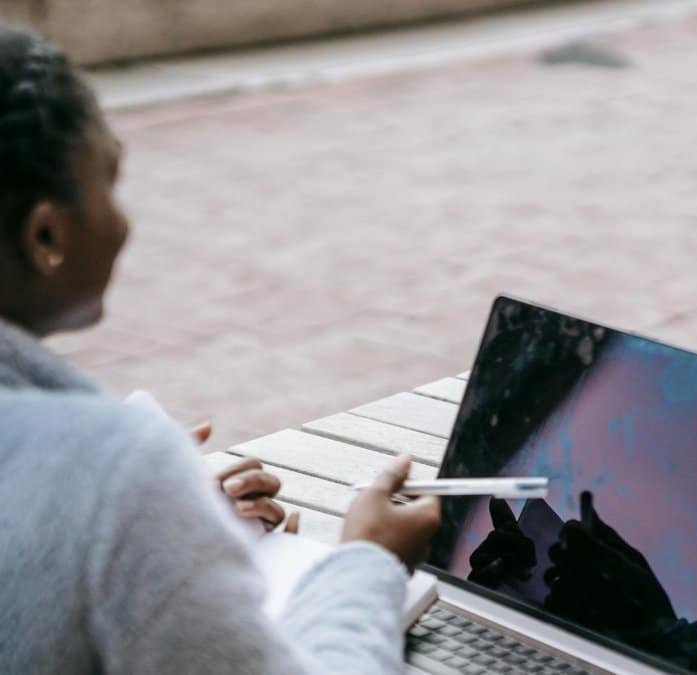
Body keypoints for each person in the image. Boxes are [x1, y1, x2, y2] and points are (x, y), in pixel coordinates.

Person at [0, 25, 440, 673]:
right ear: (45, 235)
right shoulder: (116, 470)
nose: (124, 222)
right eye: (110, 182)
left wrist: (171, 546)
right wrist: (367, 561)